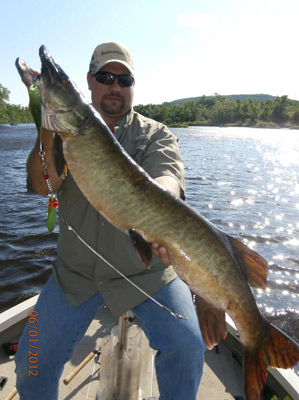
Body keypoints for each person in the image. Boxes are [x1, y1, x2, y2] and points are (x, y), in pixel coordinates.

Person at [15, 42, 206, 399]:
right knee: (30, 362)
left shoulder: (156, 135)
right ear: (89, 81)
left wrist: (159, 208)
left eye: (124, 79)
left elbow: (167, 181)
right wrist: (46, 127)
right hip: (75, 275)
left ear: (133, 85)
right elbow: (44, 186)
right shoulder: (62, 133)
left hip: (148, 275)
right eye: (105, 77)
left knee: (189, 347)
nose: (115, 86)